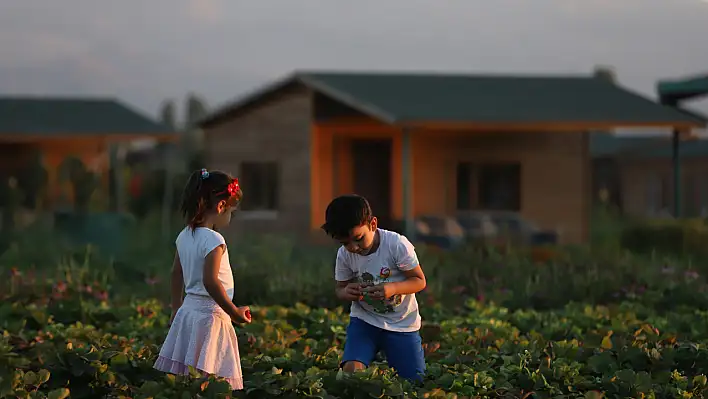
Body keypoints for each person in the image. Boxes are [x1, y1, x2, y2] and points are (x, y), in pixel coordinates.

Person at [154, 168, 251, 390]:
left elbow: (175, 273)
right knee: (210, 379)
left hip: (188, 312)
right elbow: (211, 281)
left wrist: (176, 308)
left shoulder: (184, 234)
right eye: (231, 212)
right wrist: (233, 311)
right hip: (210, 317)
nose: (230, 217)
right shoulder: (214, 239)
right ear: (221, 206)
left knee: (188, 378)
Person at [321, 194, 427, 381]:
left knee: (413, 382)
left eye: (359, 239)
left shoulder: (396, 244)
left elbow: (419, 281)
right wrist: (347, 292)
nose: (353, 247)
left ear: (373, 224)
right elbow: (340, 288)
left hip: (401, 323)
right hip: (365, 321)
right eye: (345, 243)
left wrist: (392, 289)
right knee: (352, 373)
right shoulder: (344, 255)